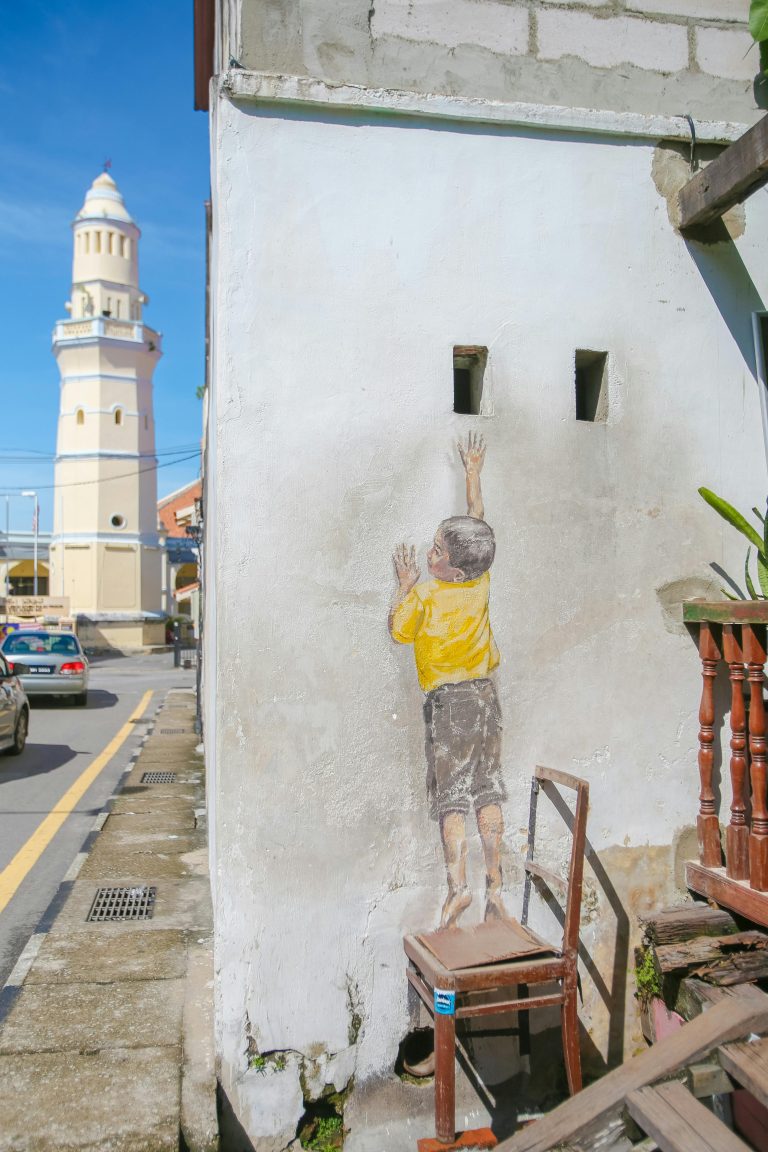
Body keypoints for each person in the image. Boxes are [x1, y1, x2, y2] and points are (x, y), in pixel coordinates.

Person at [389, 432, 507, 930]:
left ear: (452, 570)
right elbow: (477, 523)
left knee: (451, 799)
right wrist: (473, 472)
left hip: (448, 705)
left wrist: (404, 587)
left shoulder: (427, 597)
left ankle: (459, 889)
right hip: (486, 698)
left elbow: (398, 632)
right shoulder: (478, 582)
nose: (429, 552)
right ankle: (496, 886)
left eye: (436, 550)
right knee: (489, 790)